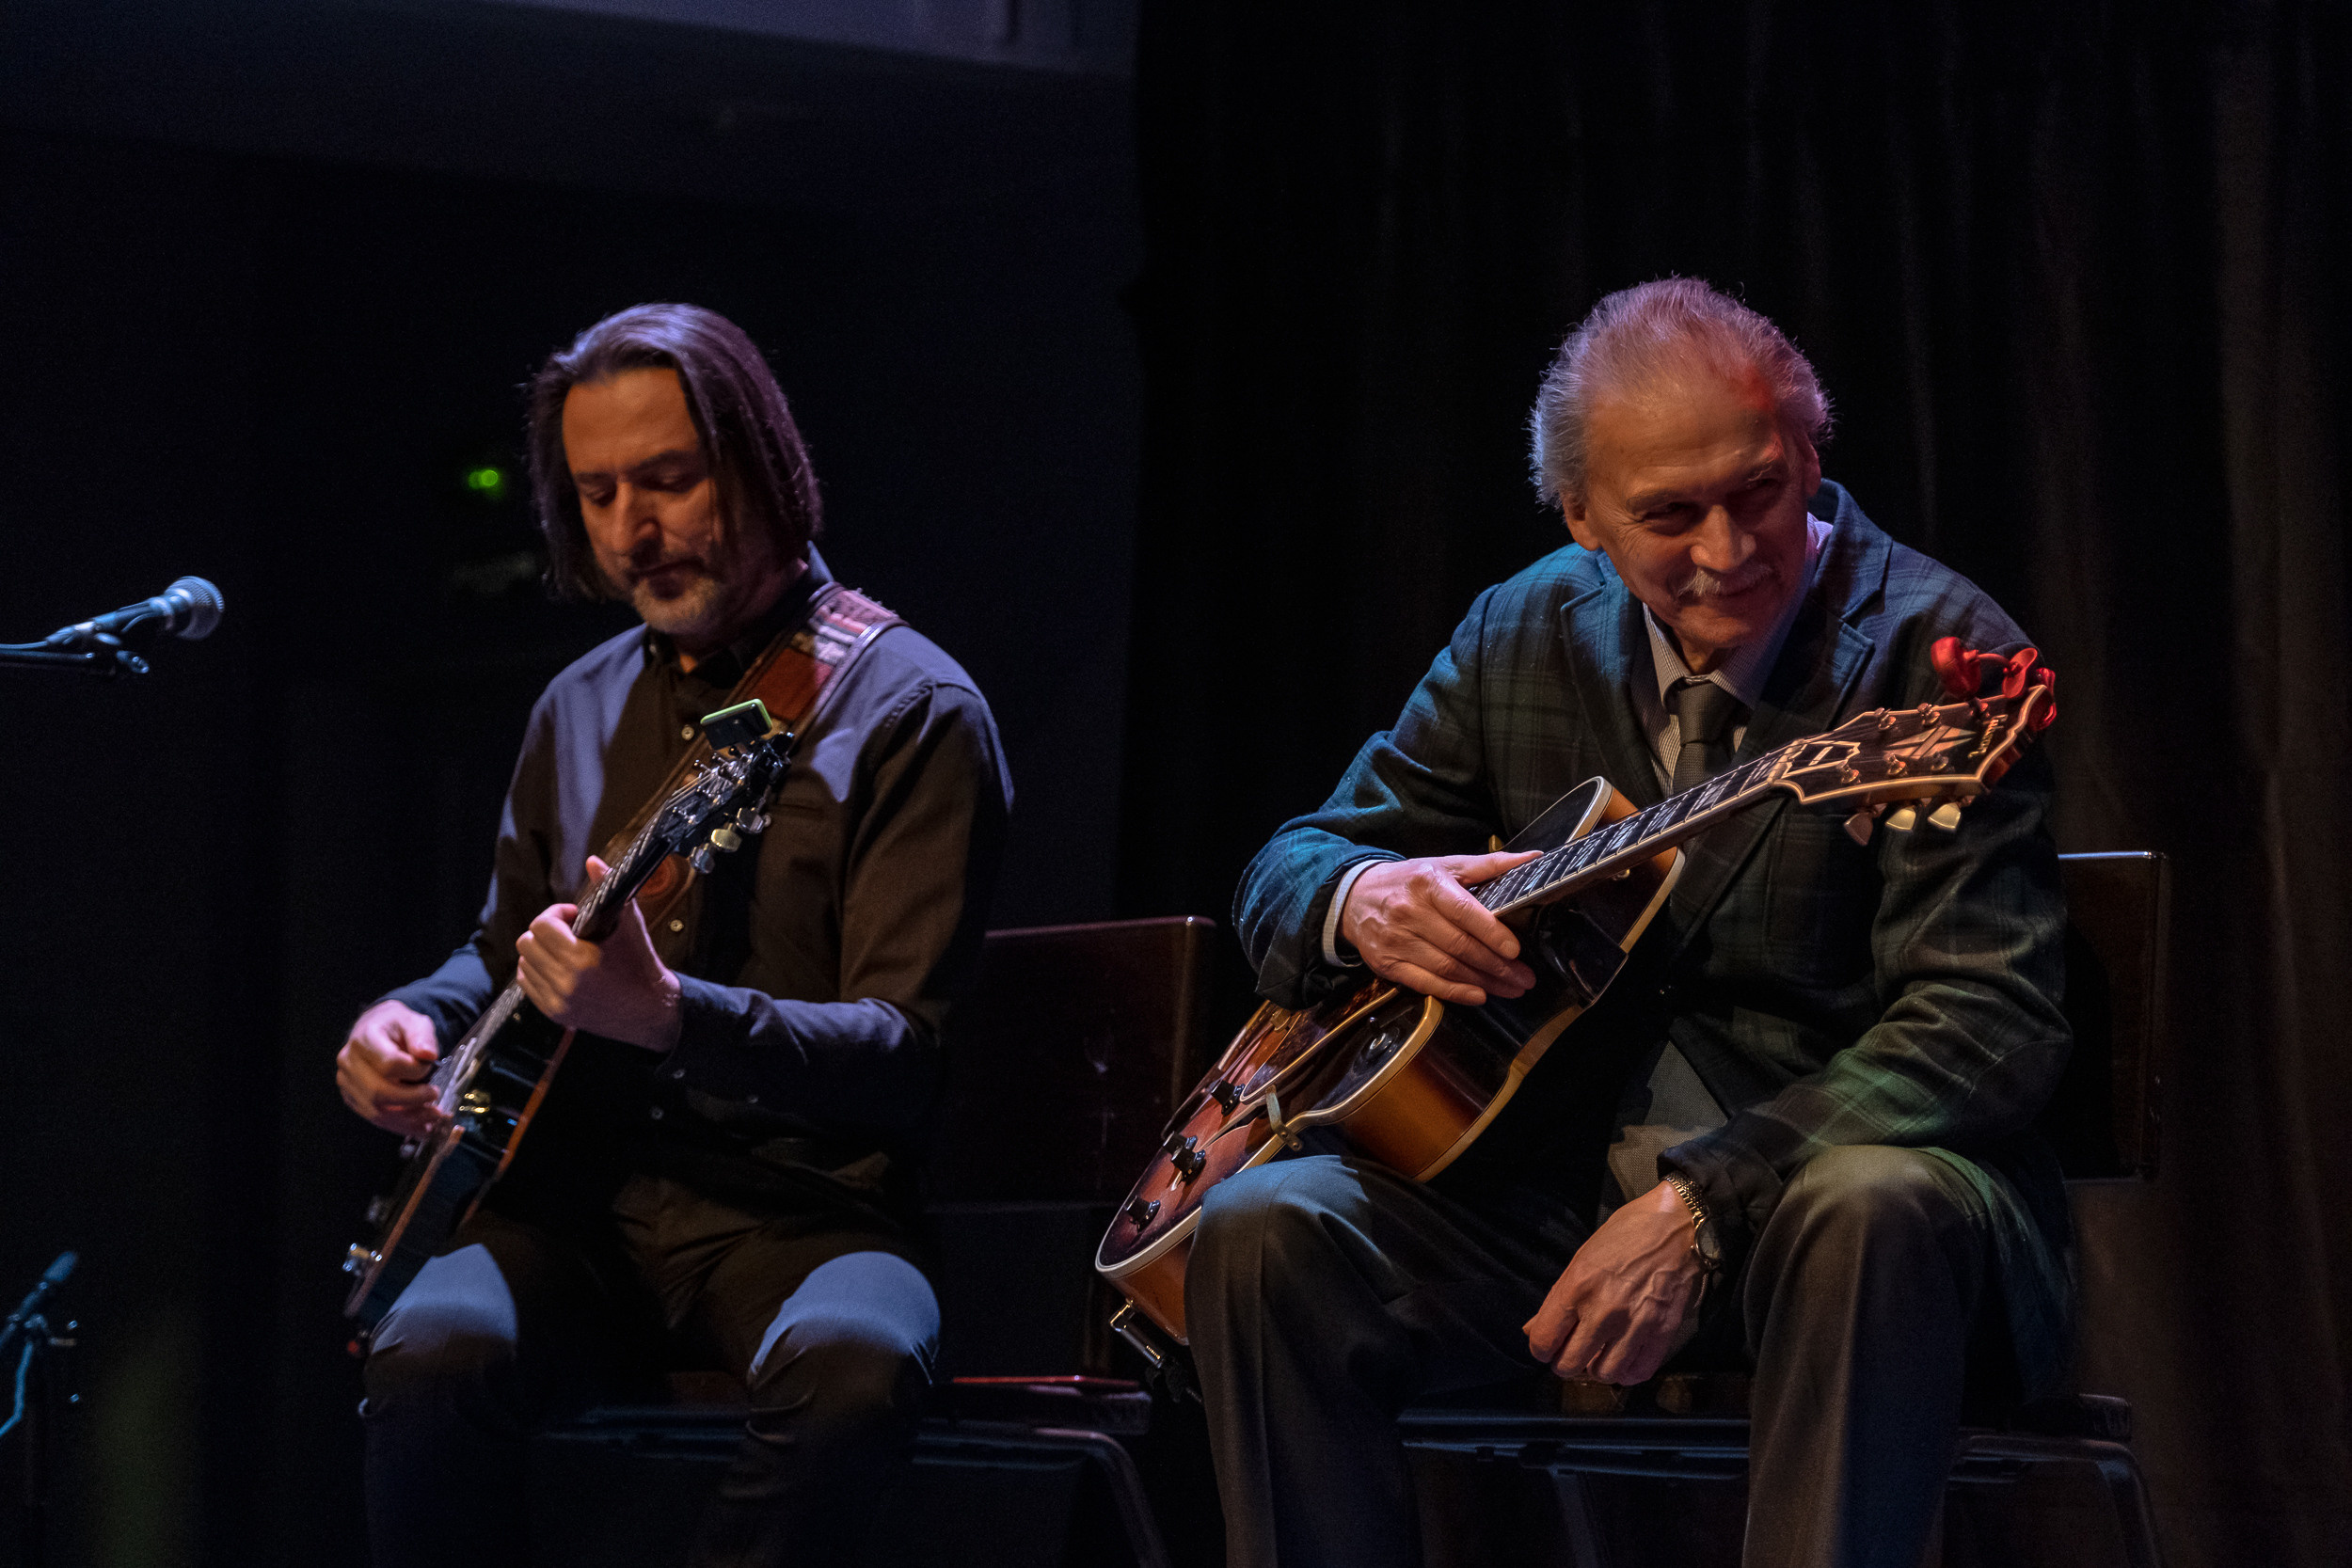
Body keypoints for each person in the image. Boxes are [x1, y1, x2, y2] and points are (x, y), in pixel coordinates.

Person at [1193, 277, 2072, 1568]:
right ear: (1583, 516)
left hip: (1821, 1214)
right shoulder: (1525, 627)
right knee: (1269, 1232)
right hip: (1552, 1209)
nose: (1729, 549)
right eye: (1669, 514)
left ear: (1809, 452)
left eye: (1759, 490)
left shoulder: (1940, 657)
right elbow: (1295, 862)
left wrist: (1703, 1198)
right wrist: (1356, 899)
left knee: (1870, 1205)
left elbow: (1987, 1019)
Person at [332, 303, 1012, 1567]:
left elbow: (903, 1054)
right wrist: (407, 1019)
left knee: (854, 1371)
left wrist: (669, 1018)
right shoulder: (576, 704)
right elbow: (501, 949)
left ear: (764, 462)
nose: (630, 532)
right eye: (596, 495)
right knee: (426, 1353)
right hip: (576, 1210)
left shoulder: (913, 709)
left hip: (811, 1213)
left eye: (668, 480)